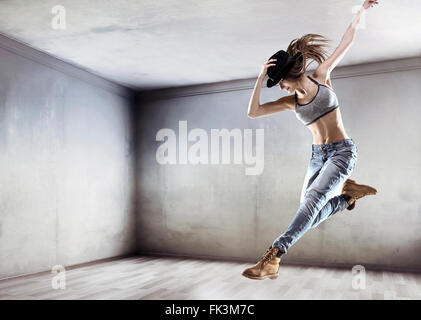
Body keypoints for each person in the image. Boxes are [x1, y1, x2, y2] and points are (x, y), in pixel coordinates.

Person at [242, 0, 379, 280]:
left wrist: (361, 12)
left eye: (280, 81)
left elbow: (346, 43)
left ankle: (273, 256)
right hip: (318, 156)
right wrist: (258, 78)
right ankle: (345, 198)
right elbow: (254, 112)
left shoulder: (321, 77)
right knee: (309, 210)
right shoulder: (290, 102)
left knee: (312, 202)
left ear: (291, 75)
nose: (279, 86)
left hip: (342, 153)